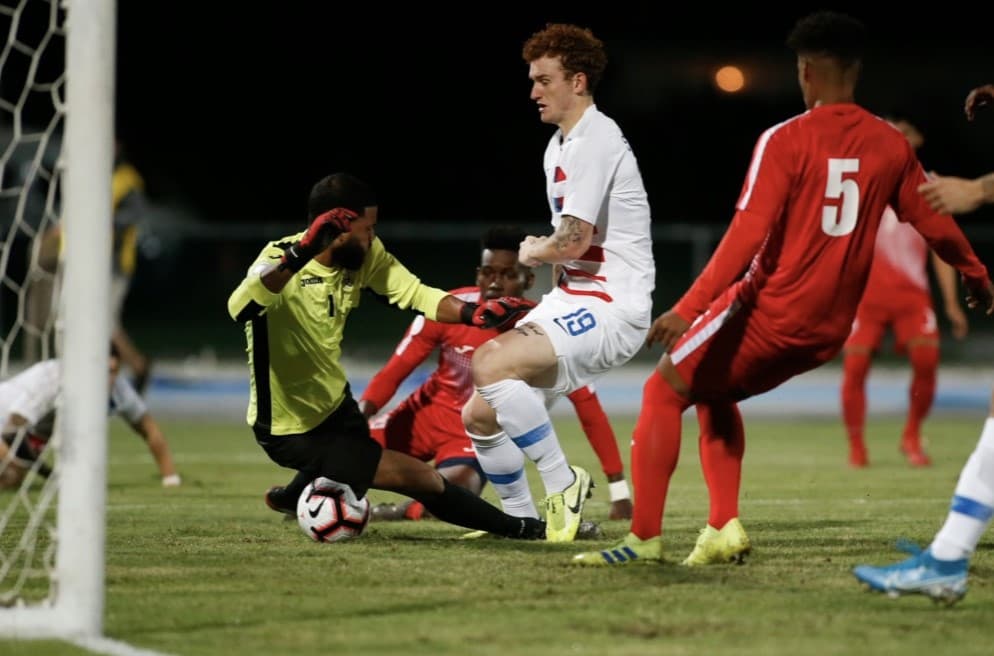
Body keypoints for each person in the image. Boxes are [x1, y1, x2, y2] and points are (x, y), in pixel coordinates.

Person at [574, 11, 994, 567]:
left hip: (768, 310)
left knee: (663, 392)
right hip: (826, 331)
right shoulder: (890, 144)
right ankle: (723, 526)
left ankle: (642, 539)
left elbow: (746, 235)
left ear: (805, 72)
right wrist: (976, 273)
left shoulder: (786, 139)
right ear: (856, 70)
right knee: (714, 392)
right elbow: (934, 220)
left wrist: (687, 308)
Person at [226, 172, 544, 541]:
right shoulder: (280, 258)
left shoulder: (363, 256)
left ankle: (293, 495)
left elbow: (414, 293)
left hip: (337, 407)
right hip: (291, 429)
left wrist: (472, 314)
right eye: (367, 227)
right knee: (423, 479)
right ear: (339, 227)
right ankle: (522, 528)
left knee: (366, 458)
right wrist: (299, 255)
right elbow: (240, 307)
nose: (373, 236)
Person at [459, 24, 655, 543]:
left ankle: (563, 481)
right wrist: (548, 252)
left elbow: (569, 241)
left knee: (488, 362)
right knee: (478, 414)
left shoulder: (597, 138)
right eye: (532, 79)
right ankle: (523, 520)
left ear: (579, 81)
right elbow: (572, 246)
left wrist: (532, 248)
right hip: (574, 298)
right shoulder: (558, 147)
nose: (533, 92)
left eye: (544, 79)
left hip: (614, 306)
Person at [359, 226, 633, 523]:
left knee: (455, 493)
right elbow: (393, 372)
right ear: (478, 273)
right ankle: (305, 504)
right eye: (488, 273)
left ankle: (398, 512)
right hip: (422, 419)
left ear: (528, 279)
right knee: (340, 457)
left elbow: (588, 408)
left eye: (507, 275)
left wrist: (619, 491)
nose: (494, 283)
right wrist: (361, 415)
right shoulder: (450, 306)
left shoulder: (545, 331)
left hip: (471, 438)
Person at [853, 83, 994, 604]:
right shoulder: (866, 179)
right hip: (870, 298)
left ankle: (948, 556)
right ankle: (948, 554)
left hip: (911, 298)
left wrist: (979, 189)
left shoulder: (922, 180)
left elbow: (939, 240)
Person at [841, 116, 968, 468]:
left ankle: (911, 435)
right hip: (867, 295)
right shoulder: (859, 183)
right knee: (855, 366)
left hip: (912, 295)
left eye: (903, 131)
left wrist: (952, 303)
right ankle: (856, 446)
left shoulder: (930, 186)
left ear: (916, 138)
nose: (894, 136)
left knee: (927, 362)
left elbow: (941, 247)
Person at [24, 140, 153, 394]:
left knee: (104, 322)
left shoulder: (128, 180)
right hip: (86, 262)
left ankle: (135, 367)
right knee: (80, 317)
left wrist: (102, 223)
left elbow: (133, 216)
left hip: (113, 265)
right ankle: (104, 370)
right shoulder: (95, 180)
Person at [0, 346, 180, 489]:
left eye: (113, 371)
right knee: (12, 472)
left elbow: (150, 429)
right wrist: (52, 476)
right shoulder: (51, 379)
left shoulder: (119, 389)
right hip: (6, 426)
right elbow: (12, 432)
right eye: (103, 371)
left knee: (12, 477)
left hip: (28, 437)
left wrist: (170, 478)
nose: (108, 379)